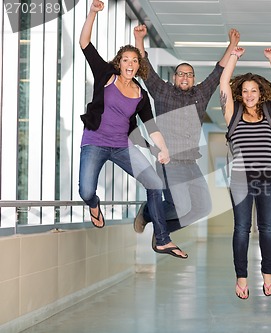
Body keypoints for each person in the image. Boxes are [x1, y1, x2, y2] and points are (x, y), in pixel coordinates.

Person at [78, 0, 187, 259]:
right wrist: (93, 12)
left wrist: (163, 149)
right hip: (94, 141)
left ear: (139, 65)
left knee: (154, 183)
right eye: (125, 59)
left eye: (134, 60)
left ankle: (162, 239)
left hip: (121, 146)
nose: (130, 63)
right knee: (86, 192)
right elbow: (84, 43)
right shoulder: (106, 75)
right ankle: (94, 206)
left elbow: (151, 126)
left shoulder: (140, 93)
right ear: (120, 62)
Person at [133, 25, 240, 235]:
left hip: (191, 163)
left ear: (193, 79)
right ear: (174, 77)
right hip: (169, 161)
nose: (185, 77)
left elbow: (218, 72)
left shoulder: (201, 94)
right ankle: (147, 213)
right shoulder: (162, 91)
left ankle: (161, 232)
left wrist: (232, 46)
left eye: (189, 75)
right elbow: (145, 68)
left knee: (202, 208)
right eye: (181, 74)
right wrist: (139, 39)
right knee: (180, 207)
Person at [220, 46, 271, 299]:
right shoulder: (232, 114)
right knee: (241, 229)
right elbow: (224, 82)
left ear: (261, 93)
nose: (249, 95)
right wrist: (234, 57)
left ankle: (268, 276)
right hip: (239, 181)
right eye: (245, 91)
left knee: (267, 228)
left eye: (253, 90)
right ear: (240, 94)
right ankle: (241, 278)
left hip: (267, 179)